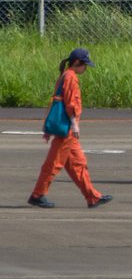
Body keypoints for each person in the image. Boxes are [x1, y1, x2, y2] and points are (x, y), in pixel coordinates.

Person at [28, 48, 108, 209]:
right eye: (84, 65)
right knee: (53, 164)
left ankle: (92, 197)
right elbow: (70, 103)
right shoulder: (71, 78)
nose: (85, 69)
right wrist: (74, 124)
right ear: (77, 63)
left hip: (66, 130)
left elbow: (57, 101)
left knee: (78, 163)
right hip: (67, 131)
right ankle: (38, 194)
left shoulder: (65, 76)